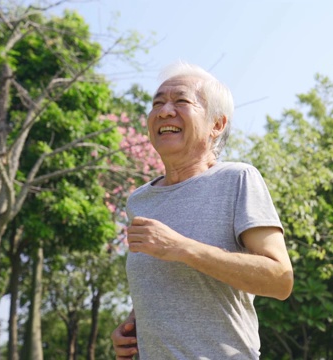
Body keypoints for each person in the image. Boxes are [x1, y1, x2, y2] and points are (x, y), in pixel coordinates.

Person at [110, 62, 293, 360]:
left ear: (216, 125)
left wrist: (181, 248)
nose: (164, 111)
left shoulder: (238, 179)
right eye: (157, 103)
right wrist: (132, 328)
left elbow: (280, 279)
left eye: (181, 101)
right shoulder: (139, 201)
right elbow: (168, 288)